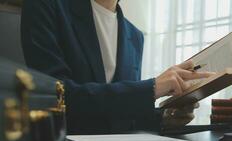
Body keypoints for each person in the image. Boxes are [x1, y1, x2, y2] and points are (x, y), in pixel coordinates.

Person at [21, 0, 213, 134]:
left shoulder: (135, 36)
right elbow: (55, 97)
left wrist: (164, 117)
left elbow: (120, 113)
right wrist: (151, 88)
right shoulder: (45, 6)